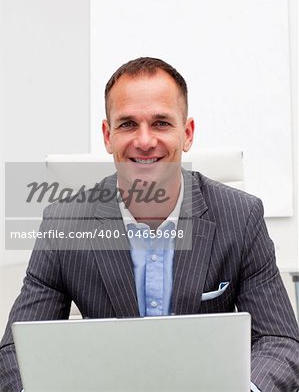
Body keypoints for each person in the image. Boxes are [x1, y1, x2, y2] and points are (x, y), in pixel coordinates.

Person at [0, 57, 298, 392]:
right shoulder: (63, 225)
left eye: (160, 123)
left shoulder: (241, 216)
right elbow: (15, 351)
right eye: (127, 124)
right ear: (107, 136)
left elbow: (279, 341)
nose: (144, 141)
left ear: (186, 134)